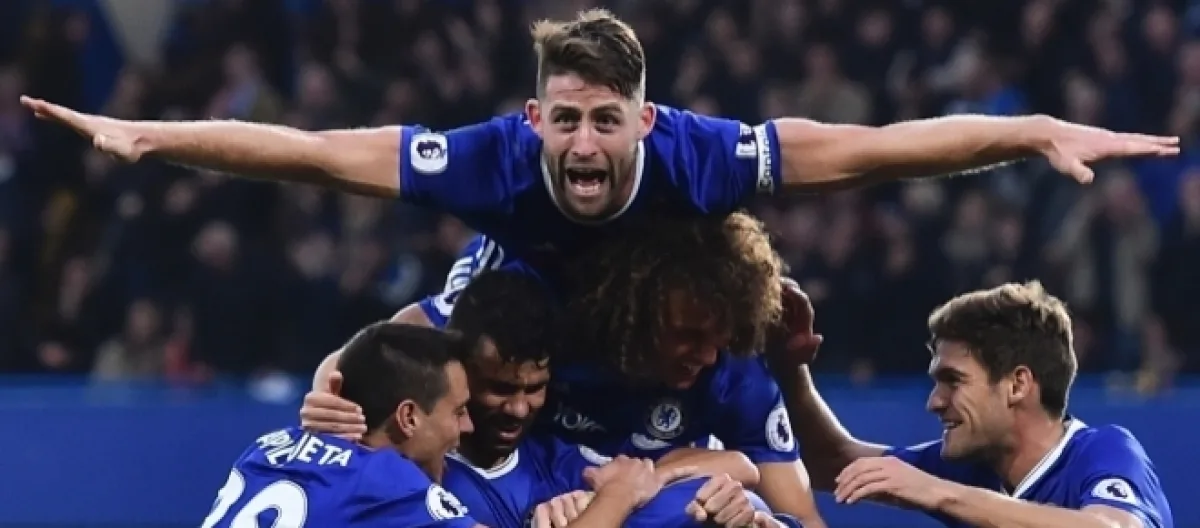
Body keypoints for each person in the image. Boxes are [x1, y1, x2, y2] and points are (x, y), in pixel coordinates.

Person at [19, 9, 1177, 279]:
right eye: (564, 118)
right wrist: (149, 136)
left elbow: (882, 147)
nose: (582, 141)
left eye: (604, 120)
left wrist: (1031, 130)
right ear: (534, 119)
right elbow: (311, 151)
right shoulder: (487, 158)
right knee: (373, 368)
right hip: (514, 309)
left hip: (660, 310)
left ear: (644, 120)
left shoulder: (702, 157)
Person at [302, 213, 824, 526]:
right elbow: (382, 354)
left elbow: (770, 488)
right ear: (637, 309)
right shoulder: (529, 305)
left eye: (720, 339)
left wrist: (623, 491)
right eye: (687, 333)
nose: (706, 356)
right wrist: (329, 396)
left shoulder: (736, 372)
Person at [769, 281, 1173, 528]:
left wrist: (939, 493)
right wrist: (789, 369)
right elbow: (828, 463)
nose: (934, 402)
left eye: (954, 381)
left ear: (1017, 385)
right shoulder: (969, 468)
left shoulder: (1103, 452)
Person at [201, 321, 673, 527]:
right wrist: (617, 494)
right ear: (408, 417)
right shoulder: (388, 484)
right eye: (458, 410)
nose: (466, 427)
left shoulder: (269, 446)